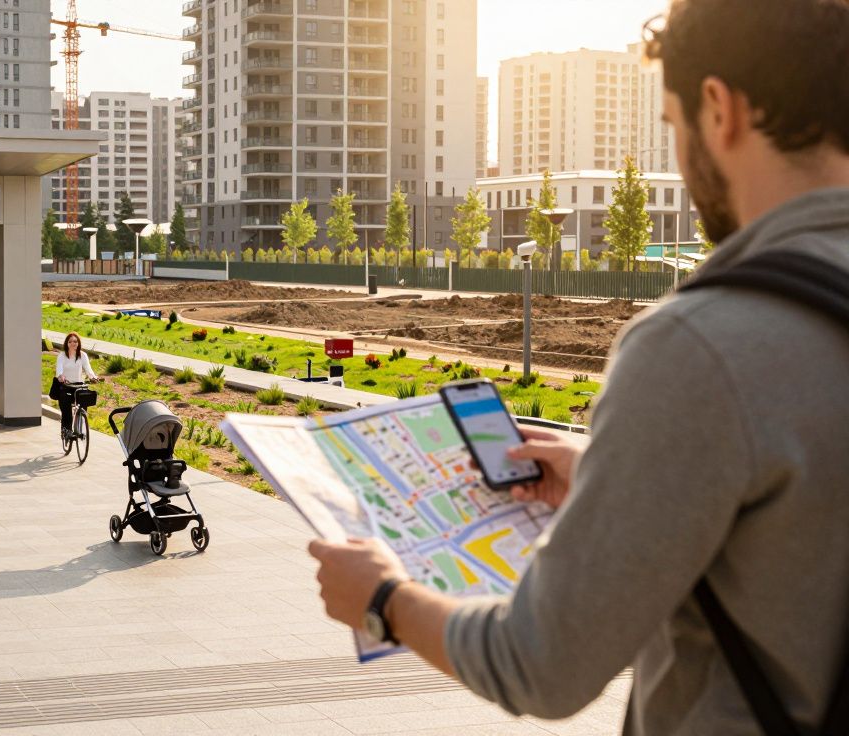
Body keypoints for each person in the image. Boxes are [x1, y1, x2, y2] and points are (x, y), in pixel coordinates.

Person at [307, 2, 849, 734]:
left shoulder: (701, 346)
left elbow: (540, 664)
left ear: (718, 109)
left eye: (674, 125)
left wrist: (383, 601)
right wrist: (618, 468)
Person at [52, 331, 98, 438]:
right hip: (66, 387)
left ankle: (80, 428)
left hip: (78, 386)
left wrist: (93, 377)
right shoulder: (62, 356)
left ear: (78, 343)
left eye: (75, 341)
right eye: (70, 341)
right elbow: (59, 370)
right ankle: (66, 430)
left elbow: (88, 370)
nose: (73, 343)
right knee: (66, 407)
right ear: (67, 344)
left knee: (85, 401)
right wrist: (61, 376)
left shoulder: (83, 355)